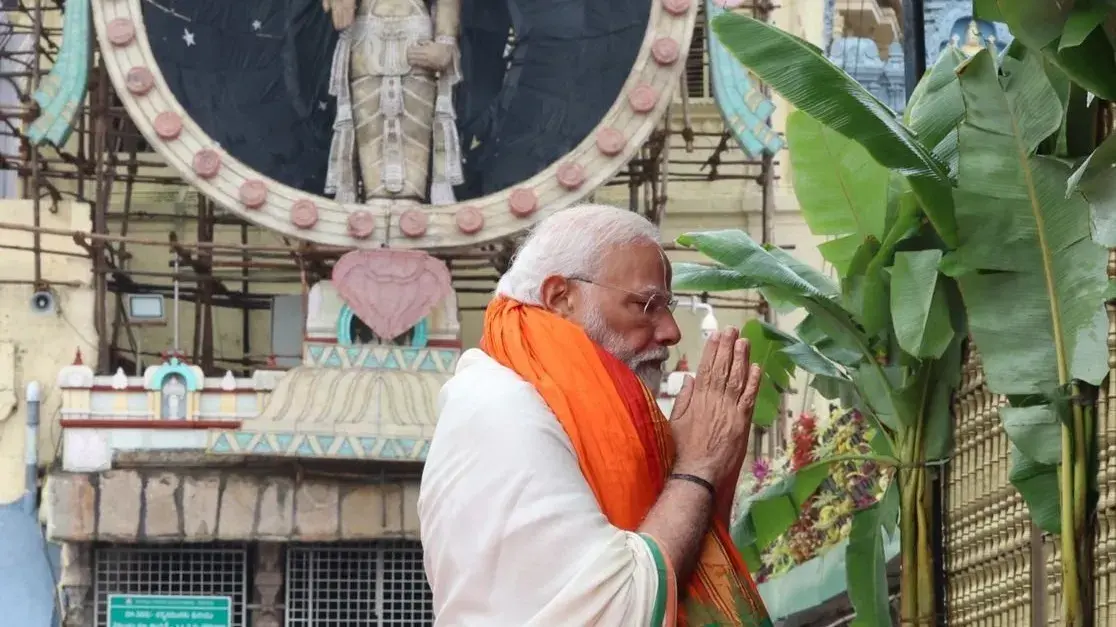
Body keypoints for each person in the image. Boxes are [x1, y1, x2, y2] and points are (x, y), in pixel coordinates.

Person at [418, 204, 770, 625]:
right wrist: (696, 468)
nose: (671, 331)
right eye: (646, 305)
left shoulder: (532, 403)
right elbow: (616, 608)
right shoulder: (500, 407)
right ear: (560, 298)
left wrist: (688, 464)